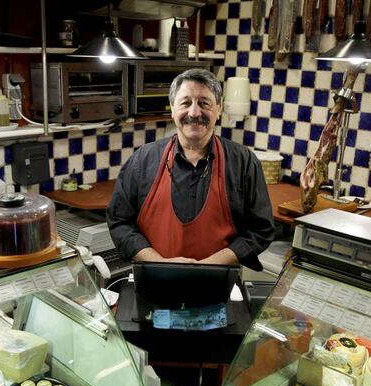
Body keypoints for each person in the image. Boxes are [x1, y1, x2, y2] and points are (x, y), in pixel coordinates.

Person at [107, 68, 274, 270]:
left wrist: (210, 266)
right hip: (153, 284)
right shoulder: (142, 160)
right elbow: (119, 222)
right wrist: (160, 264)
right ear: (172, 108)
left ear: (219, 108)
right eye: (185, 103)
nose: (194, 112)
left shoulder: (244, 163)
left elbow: (261, 229)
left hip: (217, 286)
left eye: (204, 103)